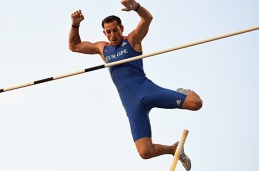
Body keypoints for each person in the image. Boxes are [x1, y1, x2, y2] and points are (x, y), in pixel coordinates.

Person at [68, 0, 202, 170]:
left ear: (121, 28)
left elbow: (147, 19)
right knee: (145, 152)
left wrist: (137, 8)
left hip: (147, 90)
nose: (112, 34)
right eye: (108, 32)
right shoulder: (103, 49)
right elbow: (74, 46)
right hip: (131, 103)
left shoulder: (132, 39)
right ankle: (174, 149)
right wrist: (75, 25)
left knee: (196, 104)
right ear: (104, 33)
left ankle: (185, 93)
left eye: (115, 30)